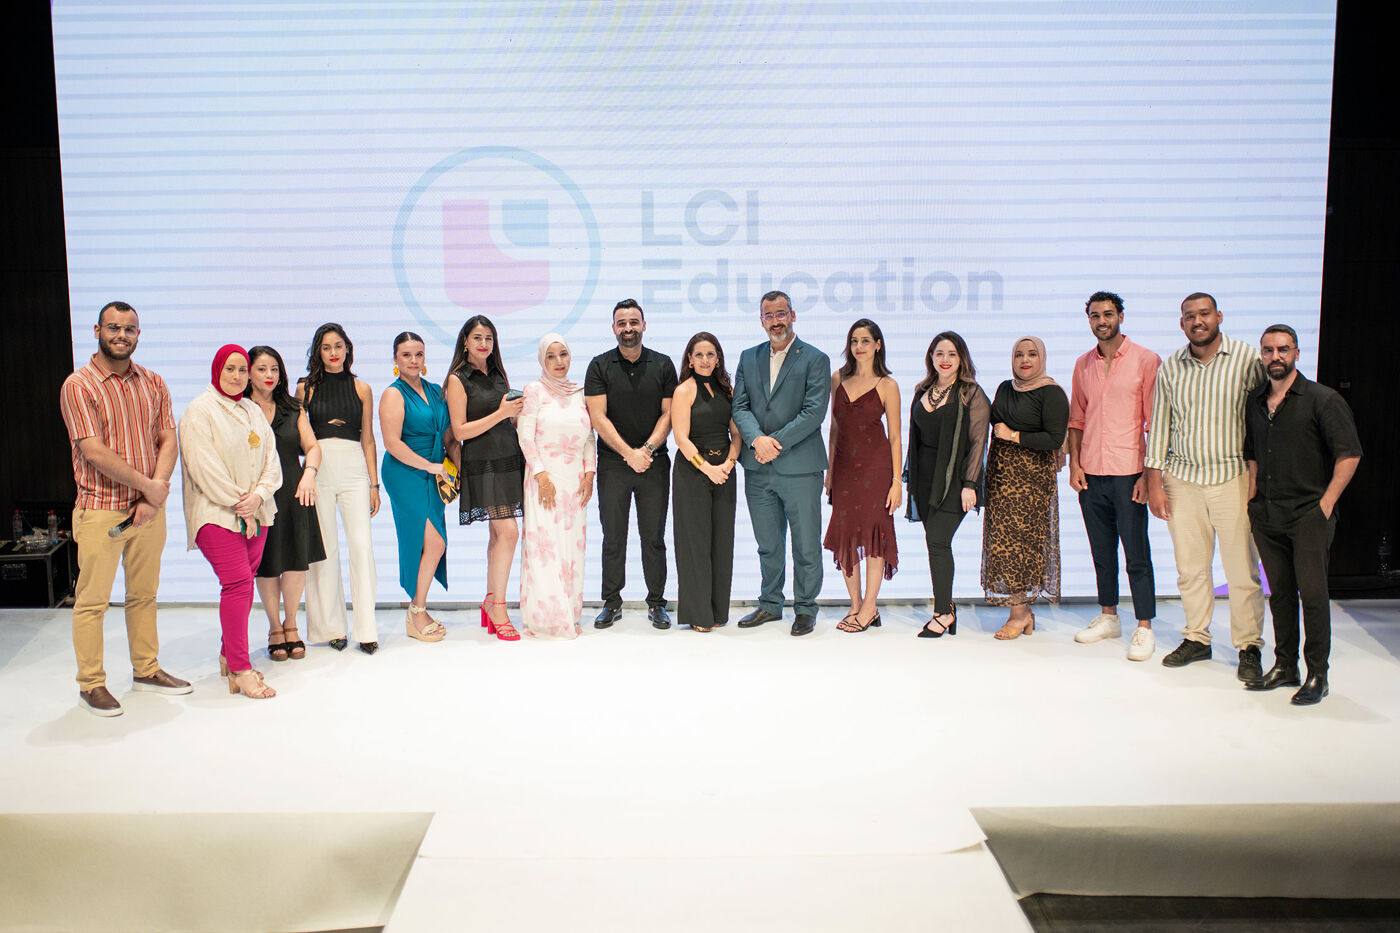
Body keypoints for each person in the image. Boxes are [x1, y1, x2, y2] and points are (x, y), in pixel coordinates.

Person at [59, 300, 190, 717]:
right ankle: (91, 684)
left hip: (149, 512)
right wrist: (150, 489)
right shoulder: (78, 385)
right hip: (101, 509)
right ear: (96, 330)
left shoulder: (153, 382)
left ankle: (146, 670)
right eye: (113, 328)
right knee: (92, 602)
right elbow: (94, 451)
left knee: (144, 595)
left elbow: (168, 438)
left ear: (138, 335)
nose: (121, 335)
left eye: (129, 329)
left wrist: (154, 495)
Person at [1146, 293, 1266, 680]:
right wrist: (1154, 482)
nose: (1197, 321)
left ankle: (1249, 646)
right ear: (1181, 323)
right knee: (1190, 569)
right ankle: (1197, 638)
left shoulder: (1247, 359)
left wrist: (1258, 473)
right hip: (1182, 479)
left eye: (1204, 314)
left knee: (1242, 571)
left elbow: (1265, 418)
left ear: (1218, 317)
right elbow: (1160, 426)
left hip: (1233, 478)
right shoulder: (1171, 367)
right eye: (1189, 316)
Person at [1243, 325, 1361, 705]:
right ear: (1261, 355)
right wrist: (1252, 500)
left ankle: (1318, 676)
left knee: (1312, 595)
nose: (1275, 357)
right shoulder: (1255, 400)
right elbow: (1253, 455)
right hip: (1268, 513)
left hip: (1309, 514)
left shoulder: (1322, 399)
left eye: (1282, 349)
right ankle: (1285, 666)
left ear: (1296, 352)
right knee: (1279, 595)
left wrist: (1325, 506)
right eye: (1268, 350)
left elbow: (1350, 454)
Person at [179, 345, 282, 699]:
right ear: (217, 371)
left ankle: (228, 654)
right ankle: (240, 669)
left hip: (257, 512)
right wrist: (242, 503)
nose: (237, 376)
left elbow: (272, 460)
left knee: (242, 585)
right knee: (238, 583)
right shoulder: (199, 411)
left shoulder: (252, 410)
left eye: (242, 370)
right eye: (230, 369)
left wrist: (257, 498)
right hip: (216, 514)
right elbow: (204, 468)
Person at [1067, 292, 1163, 661]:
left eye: (1108, 314)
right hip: (1091, 473)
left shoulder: (1145, 360)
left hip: (1129, 474)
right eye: (1094, 315)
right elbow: (1076, 420)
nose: (1101, 321)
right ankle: (1109, 616)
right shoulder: (1082, 364)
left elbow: (1155, 423)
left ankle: (1144, 626)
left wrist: (1149, 476)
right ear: (1088, 320)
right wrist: (1076, 465)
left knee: (1136, 553)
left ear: (1121, 316)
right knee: (1101, 551)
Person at [732, 290, 832, 636]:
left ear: (793, 315)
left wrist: (774, 442)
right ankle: (770, 604)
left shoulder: (815, 359)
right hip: (758, 467)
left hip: (800, 467)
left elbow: (814, 412)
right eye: (768, 315)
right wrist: (757, 440)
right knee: (768, 543)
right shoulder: (748, 357)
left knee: (806, 543)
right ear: (761, 320)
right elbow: (739, 407)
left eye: (781, 314)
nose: (776, 321)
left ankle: (805, 608)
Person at [584, 299, 679, 630]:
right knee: (613, 535)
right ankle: (611, 602)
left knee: (653, 535)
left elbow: (670, 414)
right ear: (613, 328)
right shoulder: (599, 366)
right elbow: (598, 417)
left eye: (634, 322)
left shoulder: (664, 365)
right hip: (613, 463)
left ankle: (657, 603)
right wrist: (628, 453)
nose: (628, 328)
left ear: (644, 325)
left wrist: (647, 450)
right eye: (621, 323)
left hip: (655, 463)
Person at [297, 323, 380, 654]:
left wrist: (375, 484)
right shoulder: (305, 389)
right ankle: (332, 627)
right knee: (325, 550)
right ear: (318, 352)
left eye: (339, 346)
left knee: (362, 546)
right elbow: (300, 436)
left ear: (348, 349)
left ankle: (367, 629)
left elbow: (369, 439)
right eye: (326, 347)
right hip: (318, 469)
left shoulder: (362, 389)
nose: (333, 353)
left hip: (355, 469)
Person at [982, 336, 1069, 639]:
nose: (1025, 360)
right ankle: (1024, 613)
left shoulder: (1052, 392)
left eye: (1032, 354)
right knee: (1003, 546)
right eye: (1019, 354)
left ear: (1041, 357)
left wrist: (1014, 435)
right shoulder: (1005, 388)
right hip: (1001, 478)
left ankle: (1017, 614)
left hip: (1031, 482)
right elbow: (990, 420)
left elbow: (1055, 439)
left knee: (1023, 547)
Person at [904, 331, 990, 638]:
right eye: (939, 353)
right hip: (924, 480)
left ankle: (943, 612)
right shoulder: (921, 390)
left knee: (938, 542)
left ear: (961, 358)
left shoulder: (971, 393)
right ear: (930, 357)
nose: (945, 359)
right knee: (935, 543)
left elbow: (979, 441)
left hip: (955, 481)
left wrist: (971, 484)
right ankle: (946, 607)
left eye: (952, 354)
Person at [445, 314, 525, 641]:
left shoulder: (498, 373)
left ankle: (491, 600)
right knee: (509, 532)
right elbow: (461, 430)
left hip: (509, 458)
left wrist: (518, 416)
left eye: (489, 338)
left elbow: (509, 418)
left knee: (497, 536)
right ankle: (500, 607)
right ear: (465, 341)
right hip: (483, 462)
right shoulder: (457, 378)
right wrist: (502, 414)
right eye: (477, 338)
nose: (483, 344)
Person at [823, 319, 901, 632]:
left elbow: (895, 437)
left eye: (866, 341)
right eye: (854, 341)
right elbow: (834, 428)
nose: (859, 347)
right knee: (846, 533)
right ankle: (855, 605)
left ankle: (870, 607)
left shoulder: (887, 385)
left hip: (876, 466)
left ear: (878, 345)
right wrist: (829, 470)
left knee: (873, 533)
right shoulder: (837, 378)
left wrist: (897, 481)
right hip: (843, 466)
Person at [247, 345, 323, 662]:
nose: (269, 375)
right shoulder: (238, 409)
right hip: (259, 495)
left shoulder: (294, 409)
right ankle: (274, 627)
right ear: (249, 371)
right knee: (267, 564)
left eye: (274, 369)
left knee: (294, 560)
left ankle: (292, 624)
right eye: (262, 368)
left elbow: (313, 447)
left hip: (295, 491)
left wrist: (309, 475)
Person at [518, 334, 597, 638]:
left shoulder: (579, 392)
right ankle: (543, 618)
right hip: (544, 480)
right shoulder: (534, 391)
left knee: (571, 548)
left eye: (563, 354)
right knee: (544, 547)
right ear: (542, 360)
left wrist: (590, 474)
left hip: (575, 481)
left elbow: (589, 437)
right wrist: (541, 475)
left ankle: (569, 613)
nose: (559, 362)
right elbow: (525, 436)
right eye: (551, 356)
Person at [380, 332, 454, 643]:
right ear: (396, 359)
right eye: (407, 355)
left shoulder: (437, 391)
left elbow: (450, 435)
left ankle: (417, 609)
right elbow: (392, 444)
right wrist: (430, 466)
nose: (413, 360)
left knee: (433, 543)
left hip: (435, 473)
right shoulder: (393, 395)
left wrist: (453, 467)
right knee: (432, 543)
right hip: (405, 473)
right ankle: (416, 611)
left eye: (419, 354)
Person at [670, 332, 741, 632]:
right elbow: (681, 439)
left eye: (711, 354)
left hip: (725, 471)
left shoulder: (728, 389)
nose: (705, 360)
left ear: (718, 358)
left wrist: (728, 462)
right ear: (689, 358)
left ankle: (717, 612)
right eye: (698, 354)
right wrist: (708, 468)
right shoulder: (683, 391)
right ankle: (698, 615)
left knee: (722, 542)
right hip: (693, 473)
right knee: (695, 544)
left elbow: (736, 434)